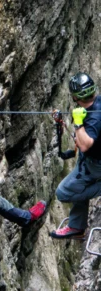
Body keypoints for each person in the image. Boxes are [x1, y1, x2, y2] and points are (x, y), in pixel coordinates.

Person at [50, 72, 101, 239]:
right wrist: (63, 123)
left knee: (64, 192)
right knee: (77, 184)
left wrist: (78, 123)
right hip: (89, 161)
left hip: (95, 164)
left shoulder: (93, 119)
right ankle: (77, 226)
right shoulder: (97, 104)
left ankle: (76, 226)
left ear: (75, 97)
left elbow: (85, 144)